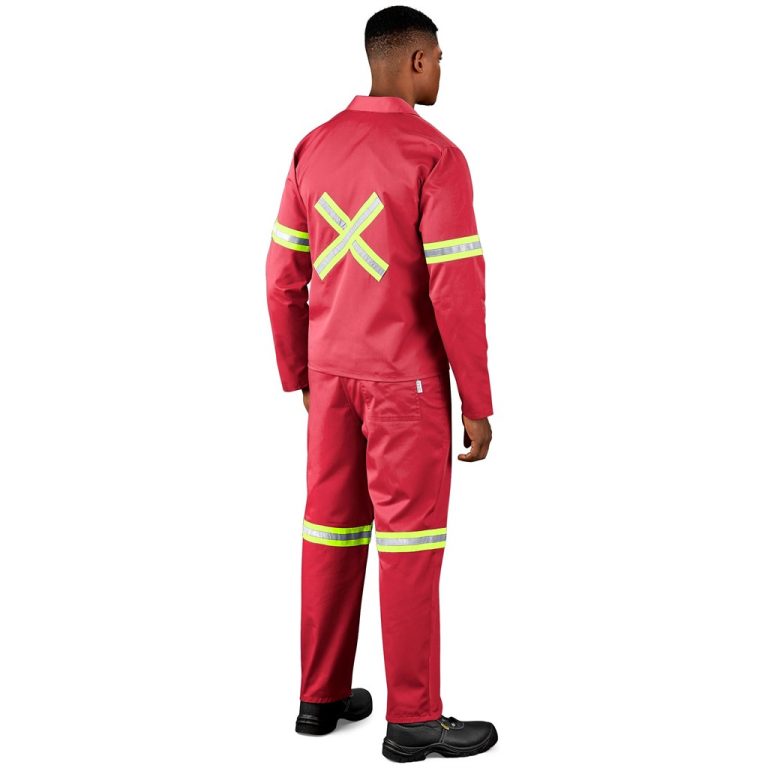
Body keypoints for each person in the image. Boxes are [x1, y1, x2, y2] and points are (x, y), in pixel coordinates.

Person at [265, 5, 498, 761]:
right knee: (410, 544)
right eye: (441, 59)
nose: (443, 71)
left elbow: (282, 276)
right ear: (418, 60)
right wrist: (477, 401)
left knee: (328, 533)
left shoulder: (313, 146)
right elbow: (456, 291)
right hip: (407, 388)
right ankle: (415, 719)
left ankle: (320, 697)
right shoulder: (436, 156)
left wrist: (299, 372)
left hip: (332, 382)